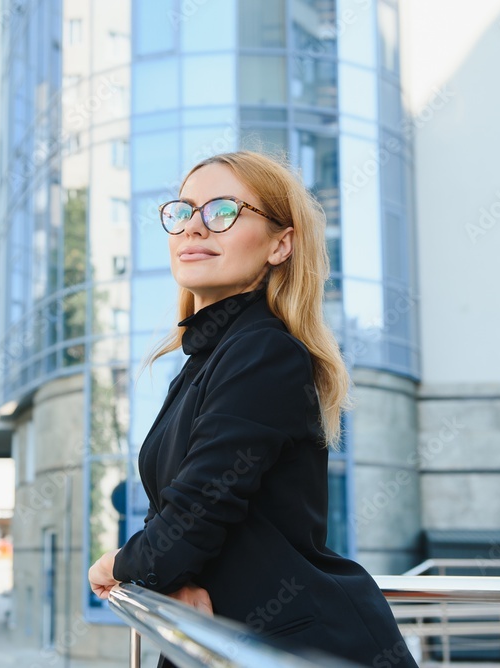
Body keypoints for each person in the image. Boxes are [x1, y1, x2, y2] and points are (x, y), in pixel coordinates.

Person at [88, 151, 418, 668]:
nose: (194, 228)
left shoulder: (265, 351)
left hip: (299, 649)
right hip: (230, 637)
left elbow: (194, 514)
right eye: (182, 212)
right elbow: (179, 511)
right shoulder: (204, 360)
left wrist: (117, 563)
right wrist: (177, 574)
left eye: (222, 211)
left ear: (280, 244)